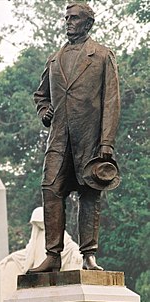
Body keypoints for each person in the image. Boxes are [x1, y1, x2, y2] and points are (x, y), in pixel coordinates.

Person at [28, 3, 120, 274]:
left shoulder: (102, 56)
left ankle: (88, 255)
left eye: (74, 18)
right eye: (66, 18)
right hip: (58, 138)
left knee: (89, 192)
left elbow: (111, 101)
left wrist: (106, 143)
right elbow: (41, 95)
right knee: (51, 188)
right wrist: (44, 111)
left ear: (87, 23)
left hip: (89, 138)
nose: (68, 22)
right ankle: (53, 254)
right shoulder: (55, 59)